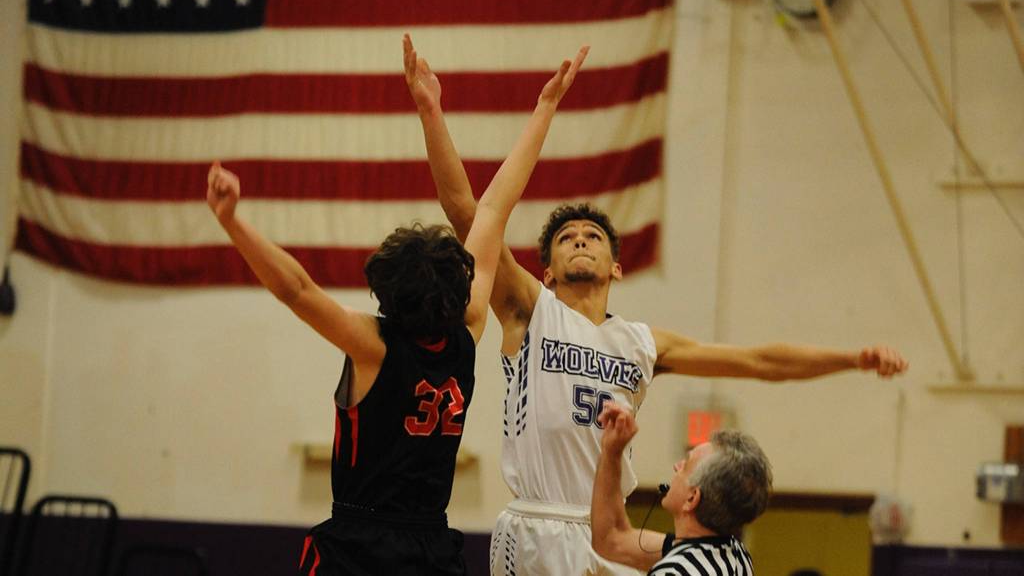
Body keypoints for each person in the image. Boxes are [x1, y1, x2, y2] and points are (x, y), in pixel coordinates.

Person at [404, 37, 909, 576]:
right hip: (539, 526)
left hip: (610, 532)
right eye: (567, 236)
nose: (580, 240)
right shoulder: (530, 309)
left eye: (593, 235)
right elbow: (466, 212)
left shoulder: (644, 343)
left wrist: (851, 358)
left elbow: (760, 362)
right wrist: (431, 111)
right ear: (546, 270)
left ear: (616, 266)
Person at [206, 36, 589, 575]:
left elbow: (297, 289)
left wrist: (232, 222)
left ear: (385, 294)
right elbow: (496, 203)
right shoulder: (469, 328)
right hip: (431, 548)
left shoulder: (372, 345)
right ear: (458, 288)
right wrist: (542, 106)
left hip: (357, 547)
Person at [591, 401, 771, 576]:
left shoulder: (674, 571)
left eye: (686, 464)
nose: (677, 466)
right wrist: (612, 452)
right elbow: (613, 539)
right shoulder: (736, 553)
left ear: (692, 498)